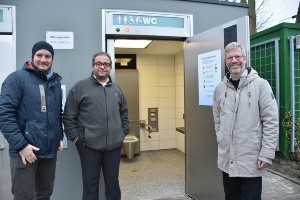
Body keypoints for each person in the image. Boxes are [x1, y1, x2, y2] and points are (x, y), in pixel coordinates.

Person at [212, 42, 279, 200]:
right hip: (227, 157)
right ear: (226, 61)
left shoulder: (261, 85)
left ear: (245, 58)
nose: (234, 60)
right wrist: (221, 137)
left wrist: (267, 154)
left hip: (251, 158)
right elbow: (217, 118)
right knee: (231, 196)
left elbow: (271, 121)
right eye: (230, 57)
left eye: (237, 56)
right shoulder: (220, 89)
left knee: (251, 197)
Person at [0, 41, 64, 200]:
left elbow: (57, 113)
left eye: (48, 56)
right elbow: (4, 114)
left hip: (49, 153)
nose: (43, 59)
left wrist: (59, 136)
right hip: (24, 153)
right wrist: (21, 146)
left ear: (52, 59)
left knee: (44, 195)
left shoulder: (54, 82)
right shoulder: (17, 79)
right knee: (24, 196)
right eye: (39, 55)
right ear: (32, 57)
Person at [63, 52, 130, 200]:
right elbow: (68, 117)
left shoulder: (118, 89)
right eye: (98, 64)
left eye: (106, 64)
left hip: (113, 146)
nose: (102, 67)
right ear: (92, 66)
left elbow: (124, 114)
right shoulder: (79, 87)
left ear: (110, 67)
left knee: (113, 185)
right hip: (88, 147)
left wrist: (122, 133)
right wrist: (76, 140)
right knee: (90, 186)